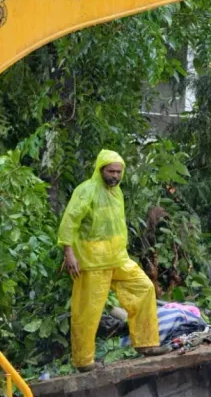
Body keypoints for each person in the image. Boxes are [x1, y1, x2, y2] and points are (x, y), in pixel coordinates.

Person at [58, 150, 165, 371]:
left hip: (117, 258)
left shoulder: (117, 193)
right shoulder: (86, 190)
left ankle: (146, 343)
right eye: (111, 171)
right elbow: (70, 221)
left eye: (118, 171)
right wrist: (69, 253)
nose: (115, 176)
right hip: (92, 261)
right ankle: (83, 361)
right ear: (100, 169)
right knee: (88, 311)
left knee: (144, 288)